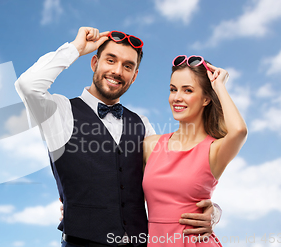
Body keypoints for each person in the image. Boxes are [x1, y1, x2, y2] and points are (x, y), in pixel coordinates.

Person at [15, 27, 220, 247]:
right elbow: (27, 85)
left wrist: (212, 211)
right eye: (110, 60)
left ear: (134, 76)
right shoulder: (59, 112)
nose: (118, 71)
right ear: (94, 63)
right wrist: (76, 48)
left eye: (128, 66)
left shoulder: (143, 125)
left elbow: (177, 179)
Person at [142, 56, 247, 246]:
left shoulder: (214, 150)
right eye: (173, 89)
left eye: (187, 90)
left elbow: (239, 131)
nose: (177, 97)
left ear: (206, 98)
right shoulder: (150, 145)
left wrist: (219, 86)